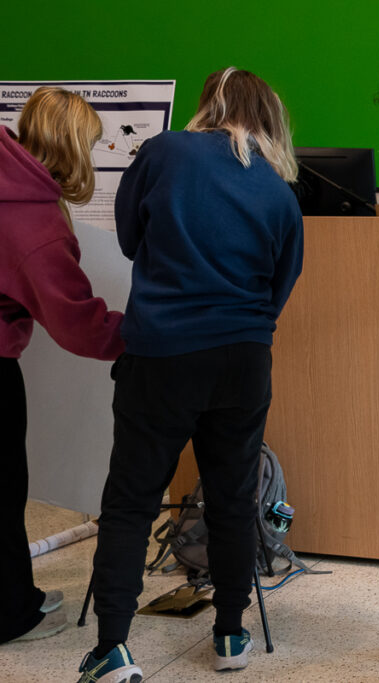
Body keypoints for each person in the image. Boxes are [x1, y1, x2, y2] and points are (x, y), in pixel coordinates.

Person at [78, 67, 303, 682]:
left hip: (163, 353)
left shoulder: (163, 151)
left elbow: (129, 238)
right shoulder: (280, 189)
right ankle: (231, 634)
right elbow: (281, 284)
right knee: (233, 499)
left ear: (210, 103)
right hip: (245, 356)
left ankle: (113, 651)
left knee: (130, 501)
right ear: (267, 115)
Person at [0, 87, 125, 645]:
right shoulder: (37, 225)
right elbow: (78, 324)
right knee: (3, 490)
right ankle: (12, 614)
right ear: (75, 145)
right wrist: (145, 334)